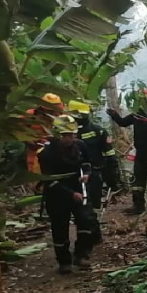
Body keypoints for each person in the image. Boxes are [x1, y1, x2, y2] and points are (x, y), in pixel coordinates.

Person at [39, 115, 101, 274]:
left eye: (71, 135)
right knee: (60, 227)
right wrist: (70, 194)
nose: (69, 139)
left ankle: (82, 254)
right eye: (65, 135)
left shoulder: (80, 146)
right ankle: (64, 261)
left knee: (86, 221)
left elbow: (87, 164)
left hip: (78, 188)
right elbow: (49, 180)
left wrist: (87, 174)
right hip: (56, 193)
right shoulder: (46, 153)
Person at [107, 88, 147, 215]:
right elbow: (123, 123)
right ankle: (138, 206)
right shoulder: (137, 115)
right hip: (141, 153)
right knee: (138, 181)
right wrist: (114, 115)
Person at [67, 100, 121, 213]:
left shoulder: (98, 131)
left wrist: (112, 177)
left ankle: (94, 219)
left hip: (94, 172)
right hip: (72, 175)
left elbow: (109, 155)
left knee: (94, 203)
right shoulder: (66, 134)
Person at [25, 93, 64, 192]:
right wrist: (28, 141)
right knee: (36, 178)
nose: (53, 113)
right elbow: (18, 131)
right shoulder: (30, 115)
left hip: (55, 152)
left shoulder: (62, 117)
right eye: (50, 110)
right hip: (35, 153)